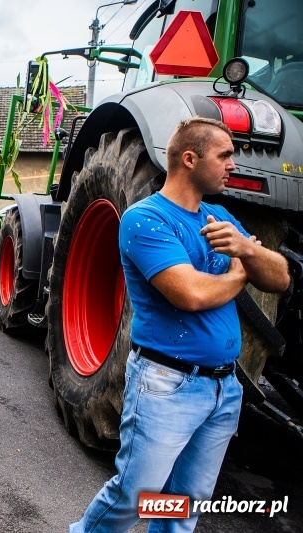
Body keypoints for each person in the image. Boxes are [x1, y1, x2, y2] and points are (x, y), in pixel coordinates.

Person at [70, 117, 289, 533]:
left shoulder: (220, 216)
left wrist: (245, 248)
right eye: (225, 155)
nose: (233, 165)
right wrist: (241, 272)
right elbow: (189, 294)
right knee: (134, 496)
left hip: (224, 389)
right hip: (167, 384)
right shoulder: (144, 219)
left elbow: (279, 279)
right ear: (190, 159)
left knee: (183, 505)